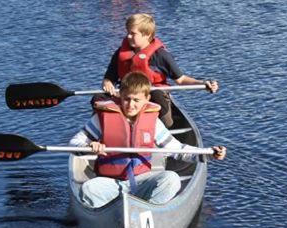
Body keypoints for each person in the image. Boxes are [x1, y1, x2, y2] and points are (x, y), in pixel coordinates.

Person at [70, 72, 227, 208]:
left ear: (147, 99)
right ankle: (111, 215)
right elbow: (74, 144)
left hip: (142, 181)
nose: (130, 105)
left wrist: (209, 154)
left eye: (136, 100)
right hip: (111, 182)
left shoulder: (153, 122)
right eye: (127, 99)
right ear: (120, 96)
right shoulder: (102, 118)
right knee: (88, 188)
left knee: (171, 179)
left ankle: (145, 209)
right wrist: (90, 145)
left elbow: (177, 150)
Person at [100, 13, 218, 127]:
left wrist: (203, 83)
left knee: (157, 95)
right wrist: (108, 84)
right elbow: (109, 78)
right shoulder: (121, 53)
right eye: (127, 33)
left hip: (152, 93)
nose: (128, 36)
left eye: (133, 33)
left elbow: (181, 80)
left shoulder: (160, 55)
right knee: (98, 98)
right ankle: (104, 130)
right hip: (128, 96)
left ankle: (165, 129)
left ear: (147, 34)